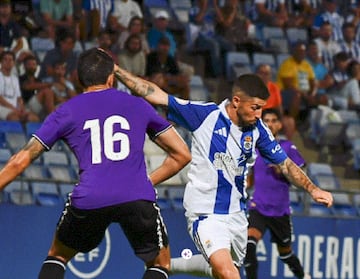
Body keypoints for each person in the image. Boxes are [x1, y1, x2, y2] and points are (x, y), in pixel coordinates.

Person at [114, 66, 334, 279]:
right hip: (205, 213)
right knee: (229, 274)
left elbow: (285, 164)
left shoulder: (258, 131)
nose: (259, 114)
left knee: (223, 271)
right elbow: (156, 95)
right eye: (255, 108)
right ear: (236, 102)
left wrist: (313, 189)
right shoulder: (205, 116)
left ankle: (167, 266)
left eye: (262, 108)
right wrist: (115, 69)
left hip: (237, 216)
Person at [0, 47, 191, 279]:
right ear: (111, 77)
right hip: (136, 195)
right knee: (160, 264)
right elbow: (182, 155)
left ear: (79, 80)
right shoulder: (138, 105)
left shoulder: (67, 111)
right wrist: (146, 182)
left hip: (91, 196)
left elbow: (21, 160)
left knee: (57, 256)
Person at [244, 108, 311, 279]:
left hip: (280, 210)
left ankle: (303, 276)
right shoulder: (253, 148)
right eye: (266, 120)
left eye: (274, 121)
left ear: (280, 125)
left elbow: (301, 171)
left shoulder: (287, 147)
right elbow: (249, 177)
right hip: (258, 206)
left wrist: (285, 170)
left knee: (285, 255)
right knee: (249, 245)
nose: (270, 124)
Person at [255, 63, 296, 140]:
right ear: (256, 74)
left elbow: (279, 107)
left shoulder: (274, 87)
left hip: (271, 114)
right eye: (261, 73)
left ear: (270, 76)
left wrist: (280, 119)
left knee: (290, 121)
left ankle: (284, 146)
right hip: (257, 116)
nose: (264, 76)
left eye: (266, 74)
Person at [0, 50, 39, 122]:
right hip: (2, 107)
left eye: (10, 60)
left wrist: (22, 108)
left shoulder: (15, 78)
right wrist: (13, 108)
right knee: (15, 118)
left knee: (33, 118)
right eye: (5, 59)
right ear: (1, 62)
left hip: (15, 108)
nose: (8, 62)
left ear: (13, 63)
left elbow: (19, 98)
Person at [19, 54, 55, 120]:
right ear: (24, 66)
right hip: (26, 106)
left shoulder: (39, 80)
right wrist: (51, 84)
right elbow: (28, 86)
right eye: (29, 64)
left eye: (34, 64)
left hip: (38, 107)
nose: (32, 67)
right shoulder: (20, 78)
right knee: (47, 91)